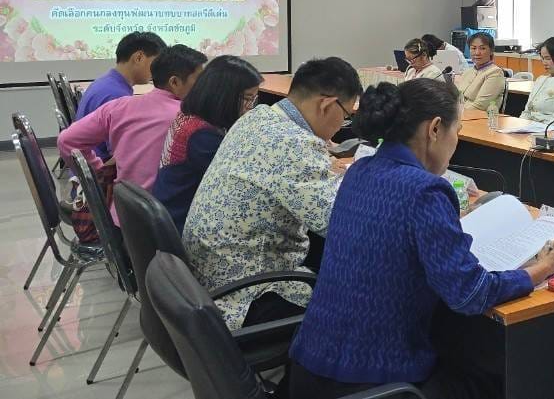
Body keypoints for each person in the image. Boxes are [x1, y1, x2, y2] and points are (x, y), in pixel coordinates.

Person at [288, 79, 554, 399]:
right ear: (435, 129)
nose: (456, 140)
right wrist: (543, 268)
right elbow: (470, 293)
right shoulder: (425, 191)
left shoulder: (360, 170)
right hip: (373, 383)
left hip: (309, 370)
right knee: (496, 374)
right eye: (456, 130)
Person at [183, 57, 360, 330]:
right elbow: (343, 224)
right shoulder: (295, 144)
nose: (341, 125)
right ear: (327, 104)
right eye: (347, 116)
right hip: (246, 294)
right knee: (366, 299)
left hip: (208, 280)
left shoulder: (257, 117)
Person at [57, 44, 207, 220]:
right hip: (166, 227)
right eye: (200, 81)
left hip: (121, 219)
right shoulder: (190, 118)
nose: (205, 88)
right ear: (174, 82)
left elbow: (66, 140)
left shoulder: (118, 107)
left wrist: (98, 172)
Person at [153, 56, 263, 233]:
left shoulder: (190, 116)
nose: (250, 108)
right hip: (185, 227)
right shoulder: (202, 136)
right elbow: (238, 186)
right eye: (247, 99)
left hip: (173, 216)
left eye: (254, 99)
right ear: (224, 96)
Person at [74, 31, 167, 161]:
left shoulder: (107, 82)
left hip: (90, 167)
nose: (159, 70)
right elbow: (121, 155)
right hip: (102, 170)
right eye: (156, 63)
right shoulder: (116, 95)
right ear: (139, 57)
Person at [519, 37, 554, 123]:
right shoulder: (540, 79)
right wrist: (519, 124)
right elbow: (527, 110)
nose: (544, 62)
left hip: (546, 130)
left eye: (548, 58)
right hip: (529, 127)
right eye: (542, 58)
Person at [455, 33, 506, 112]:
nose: (477, 52)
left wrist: (453, 114)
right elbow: (455, 98)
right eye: (473, 48)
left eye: (482, 48)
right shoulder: (468, 72)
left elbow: (480, 106)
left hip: (479, 119)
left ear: (491, 51)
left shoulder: (495, 73)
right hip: (460, 116)